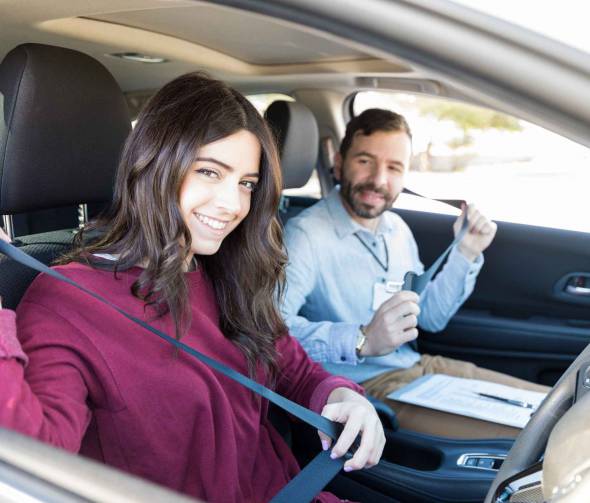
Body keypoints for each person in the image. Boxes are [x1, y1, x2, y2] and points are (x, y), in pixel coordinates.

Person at [0, 73, 385, 503]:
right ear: (155, 164)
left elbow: (292, 367)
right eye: (208, 172)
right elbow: (33, 456)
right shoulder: (67, 301)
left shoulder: (229, 270)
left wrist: (344, 397)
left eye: (246, 183)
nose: (233, 204)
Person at [281, 108, 549, 439]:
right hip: (365, 385)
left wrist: (466, 252)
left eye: (394, 167)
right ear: (339, 162)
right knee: (535, 437)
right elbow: (273, 332)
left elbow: (431, 318)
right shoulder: (306, 235)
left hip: (419, 367)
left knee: (556, 406)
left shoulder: (397, 229)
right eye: (365, 161)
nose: (379, 180)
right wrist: (361, 338)